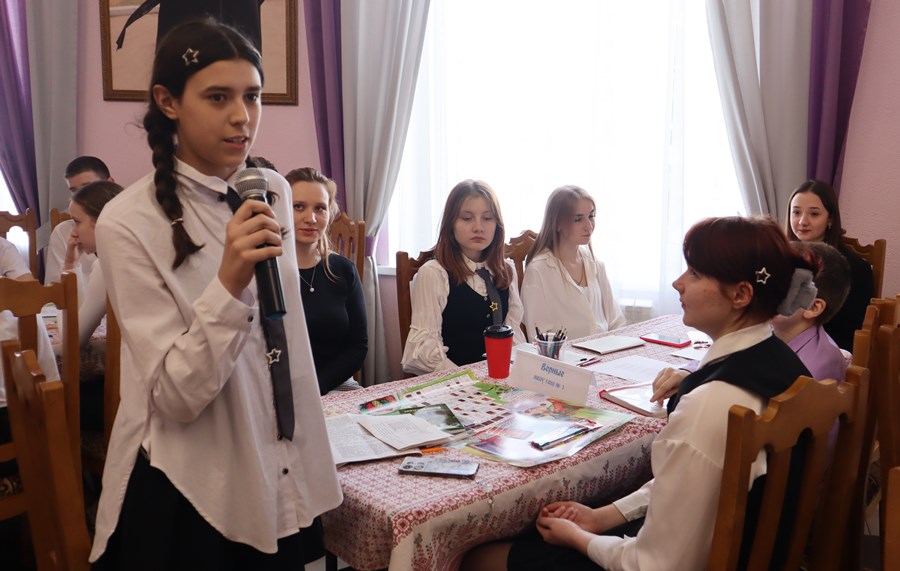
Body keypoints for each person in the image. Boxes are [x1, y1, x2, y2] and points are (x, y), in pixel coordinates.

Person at [89, 19, 341, 569]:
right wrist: (229, 283)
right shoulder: (127, 222)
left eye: (252, 95)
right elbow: (175, 398)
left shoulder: (272, 190)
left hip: (276, 457)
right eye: (218, 97)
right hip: (191, 482)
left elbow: (288, 338)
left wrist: (301, 447)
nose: (242, 116)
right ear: (168, 102)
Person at [462, 216, 817, 571]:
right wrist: (602, 516)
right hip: (749, 550)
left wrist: (578, 538)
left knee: (479, 557)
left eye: (695, 274)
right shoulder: (782, 363)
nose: (678, 283)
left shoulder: (709, 404)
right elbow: (688, 483)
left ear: (740, 294)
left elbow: (653, 564)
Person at [651, 239, 851, 402]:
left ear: (813, 307)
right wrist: (689, 372)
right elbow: (730, 354)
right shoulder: (766, 330)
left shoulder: (816, 368)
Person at [401, 180, 525, 376]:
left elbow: (513, 335)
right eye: (467, 218)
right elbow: (424, 350)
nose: (478, 227)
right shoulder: (434, 274)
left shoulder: (505, 270)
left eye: (487, 218)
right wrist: (470, 379)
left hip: (498, 379)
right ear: (451, 224)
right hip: (454, 380)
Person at [285, 167, 367, 394]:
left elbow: (358, 347)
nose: (310, 218)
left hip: (337, 385)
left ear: (329, 214)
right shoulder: (265, 272)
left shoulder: (344, 270)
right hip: (282, 391)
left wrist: (316, 387)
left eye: (320, 208)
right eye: (298, 207)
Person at [521, 185, 625, 340]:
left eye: (591, 216)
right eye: (578, 219)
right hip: (565, 355)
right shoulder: (538, 270)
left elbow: (617, 322)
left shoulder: (596, 264)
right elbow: (540, 338)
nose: (589, 226)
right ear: (557, 223)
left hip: (606, 351)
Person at [786, 180, 874, 351]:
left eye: (814, 214)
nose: (802, 221)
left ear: (830, 219)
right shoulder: (778, 258)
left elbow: (852, 336)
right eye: (796, 212)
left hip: (828, 354)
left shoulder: (856, 269)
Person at [60, 181, 123, 346]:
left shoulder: (106, 265)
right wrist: (71, 262)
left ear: (100, 222)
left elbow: (73, 338)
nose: (73, 232)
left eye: (77, 222)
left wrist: (70, 265)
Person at [44, 156, 115, 285]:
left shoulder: (128, 227)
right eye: (74, 191)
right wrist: (70, 263)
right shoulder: (64, 232)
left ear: (109, 183)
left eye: (88, 188)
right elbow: (54, 289)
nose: (81, 197)